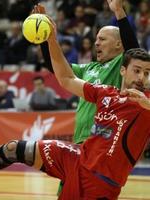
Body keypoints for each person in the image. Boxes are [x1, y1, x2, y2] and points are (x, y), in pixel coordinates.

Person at [0, 46, 150, 199]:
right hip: (76, 160)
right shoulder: (106, 93)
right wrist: (51, 38)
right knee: (14, 149)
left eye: (147, 73)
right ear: (123, 70)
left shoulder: (146, 104)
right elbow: (66, 79)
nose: (141, 78)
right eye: (137, 70)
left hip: (100, 184)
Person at [37, 0, 139, 194]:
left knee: (86, 191)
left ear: (119, 44)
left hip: (100, 143)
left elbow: (133, 50)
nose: (96, 43)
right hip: (80, 141)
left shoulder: (122, 66)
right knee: (67, 190)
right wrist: (45, 37)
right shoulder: (88, 68)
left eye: (102, 39)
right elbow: (55, 68)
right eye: (96, 39)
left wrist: (119, 12)